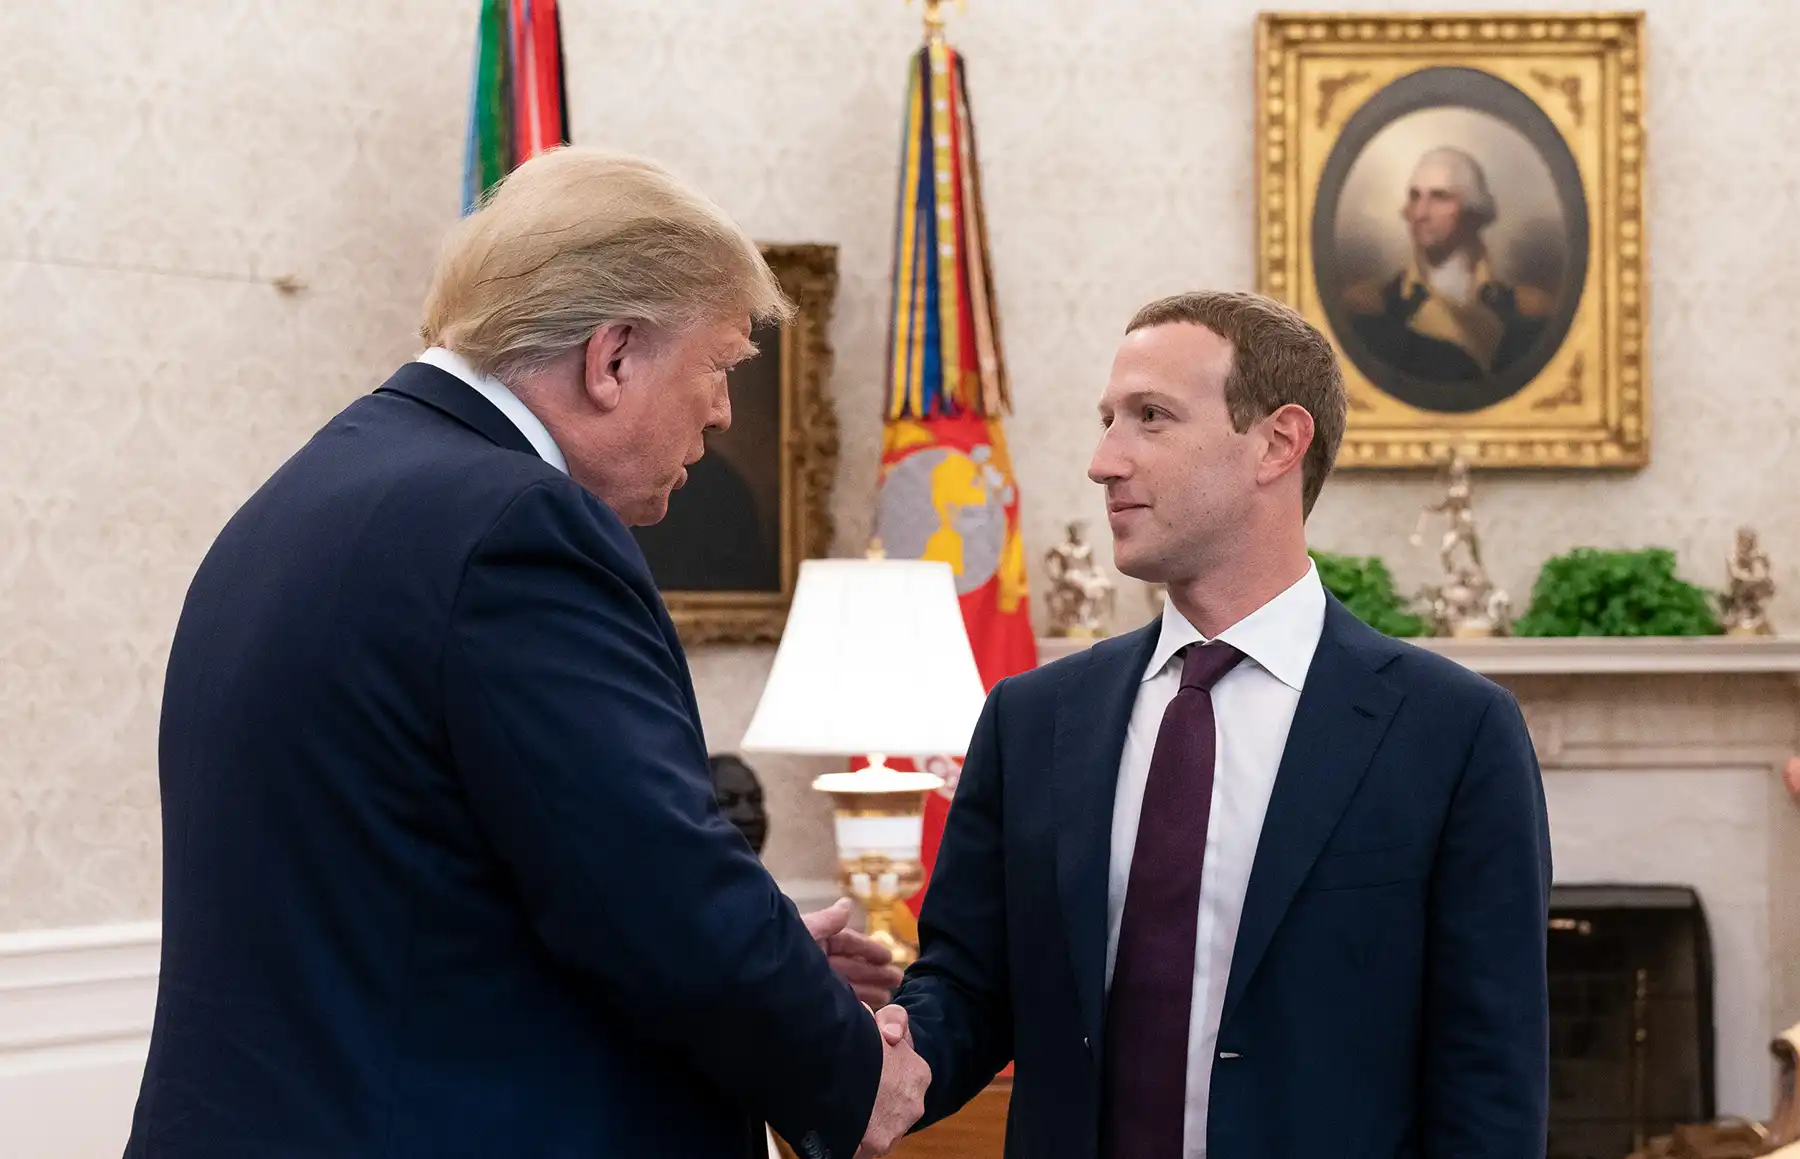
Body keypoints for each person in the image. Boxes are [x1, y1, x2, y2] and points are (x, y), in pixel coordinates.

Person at [126, 147, 923, 1159]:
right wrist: (850, 1070)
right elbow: (661, 897)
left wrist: (768, 967)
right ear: (614, 356)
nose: (724, 413)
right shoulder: (516, 527)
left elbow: (449, 887)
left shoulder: (309, 493)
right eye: (720, 365)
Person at [883, 290, 1552, 1157]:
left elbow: (1491, 1083)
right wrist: (868, 1059)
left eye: (1149, 417)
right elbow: (968, 989)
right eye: (1107, 419)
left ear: (1278, 443)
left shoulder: (1455, 734)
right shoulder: (1034, 718)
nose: (1102, 460)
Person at [1344, 146, 1550, 383]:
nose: (1420, 213)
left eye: (1439, 197)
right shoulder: (1371, 306)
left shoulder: (1526, 309)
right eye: (1415, 196)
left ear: (1473, 210)